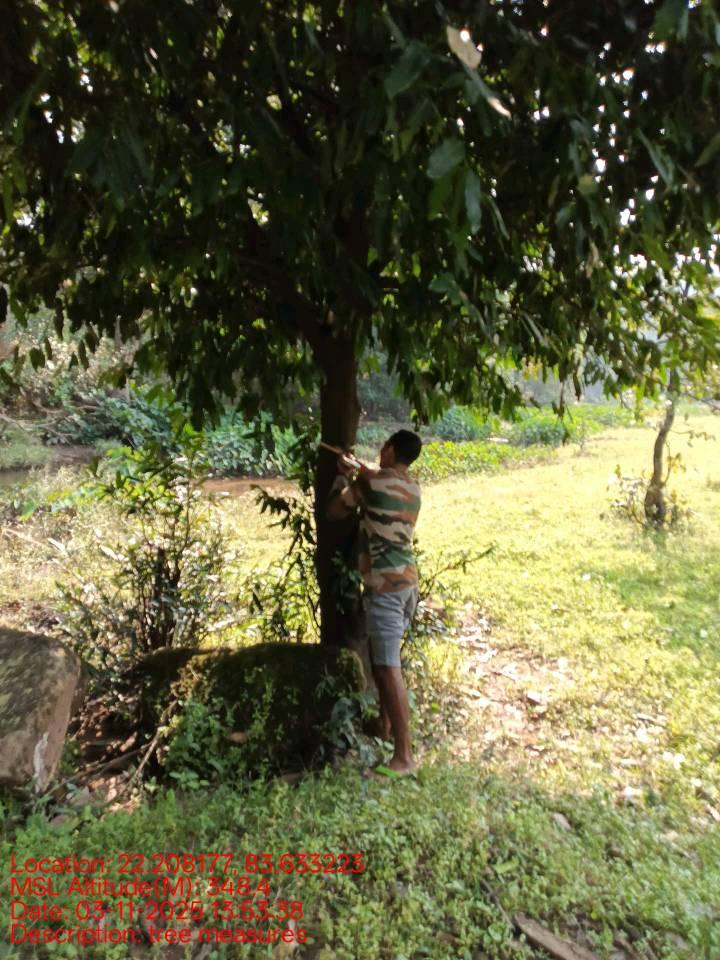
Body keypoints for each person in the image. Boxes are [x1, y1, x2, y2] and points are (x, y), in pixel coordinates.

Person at [326, 429, 422, 775]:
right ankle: (384, 727)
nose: (380, 451)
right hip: (407, 586)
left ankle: (404, 757)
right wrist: (360, 472)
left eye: (384, 446)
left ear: (392, 450)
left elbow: (335, 511)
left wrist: (341, 476)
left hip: (385, 589)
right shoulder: (413, 488)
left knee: (388, 667)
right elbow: (376, 481)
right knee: (385, 663)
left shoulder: (371, 482)